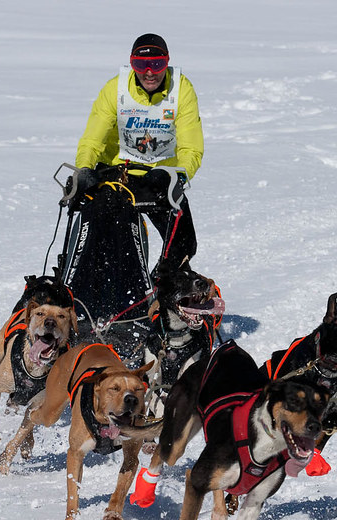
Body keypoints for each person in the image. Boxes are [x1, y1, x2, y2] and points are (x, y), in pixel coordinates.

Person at [63, 34, 204, 350]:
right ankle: (87, 305)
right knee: (109, 232)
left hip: (160, 179)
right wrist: (83, 170)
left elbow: (191, 147)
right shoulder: (115, 89)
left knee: (183, 241)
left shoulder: (182, 90)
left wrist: (175, 175)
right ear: (132, 65)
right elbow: (93, 138)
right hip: (117, 175)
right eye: (141, 64)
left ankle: (160, 301)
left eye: (157, 64)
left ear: (167, 63)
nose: (150, 72)